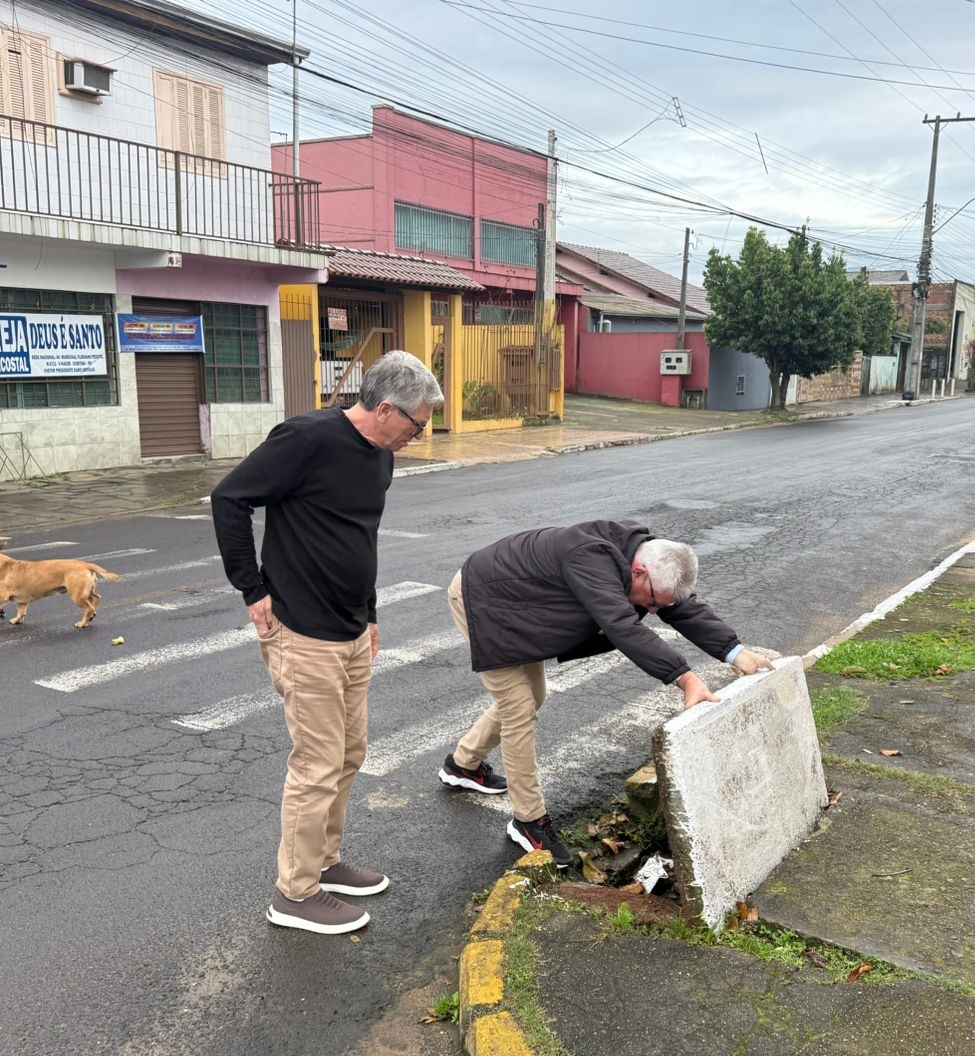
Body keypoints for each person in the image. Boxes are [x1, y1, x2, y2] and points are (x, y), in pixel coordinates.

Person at [212, 350, 441, 935]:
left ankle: (326, 861)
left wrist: (368, 613)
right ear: (386, 409)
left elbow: (358, 536)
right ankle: (295, 891)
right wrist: (251, 588)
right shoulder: (306, 439)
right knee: (316, 764)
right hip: (302, 630)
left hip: (350, 629)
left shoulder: (381, 455)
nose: (423, 433)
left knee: (348, 753)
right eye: (419, 422)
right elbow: (229, 499)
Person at [438, 520, 773, 867]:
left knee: (532, 696)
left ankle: (463, 765)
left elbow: (678, 606)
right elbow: (621, 625)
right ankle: (528, 820)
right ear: (639, 573)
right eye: (654, 603)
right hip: (485, 601)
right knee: (518, 706)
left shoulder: (645, 561)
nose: (654, 612)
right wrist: (685, 679)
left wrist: (737, 653)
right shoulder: (590, 559)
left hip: (525, 604)